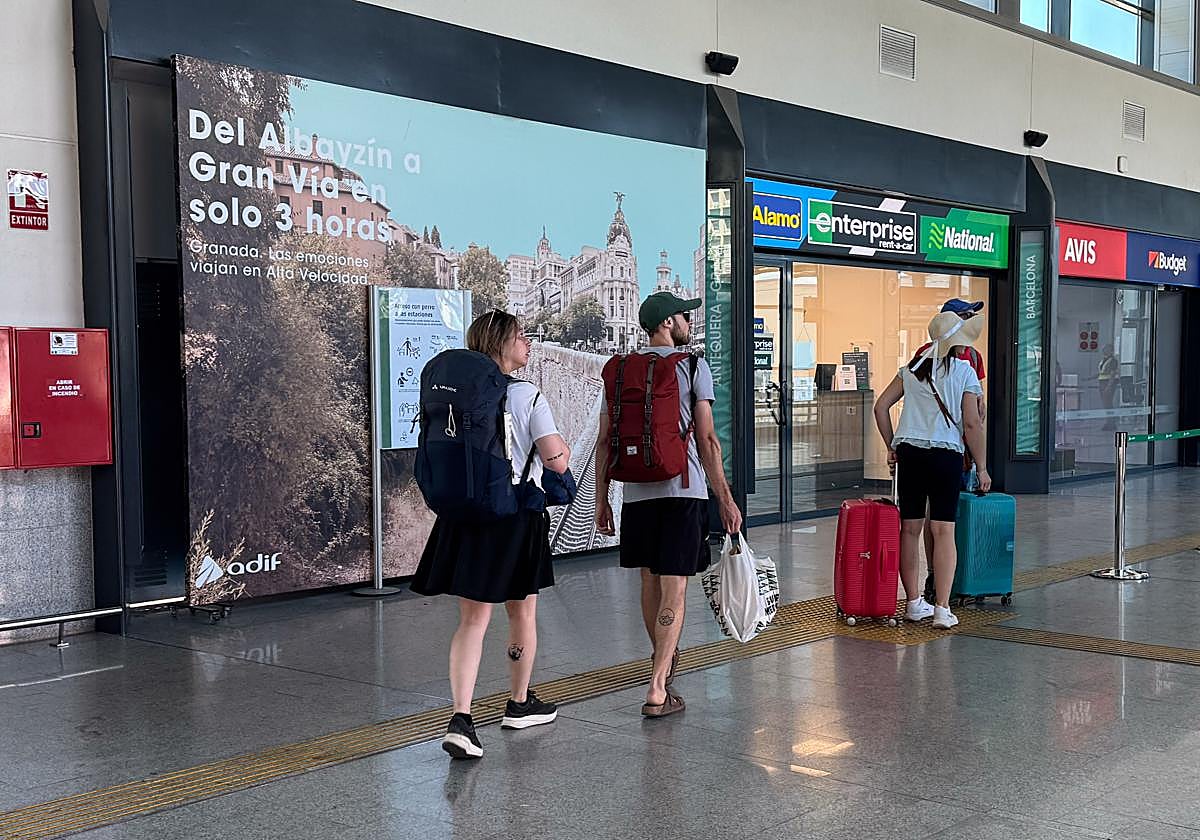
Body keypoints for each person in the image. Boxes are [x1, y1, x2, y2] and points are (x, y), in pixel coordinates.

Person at [411, 309, 571, 760]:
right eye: (521, 336)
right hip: (515, 516)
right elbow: (555, 460)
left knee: (472, 620)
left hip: (464, 516)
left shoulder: (459, 397)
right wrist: (562, 453)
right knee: (521, 615)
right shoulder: (526, 396)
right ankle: (519, 704)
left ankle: (461, 717)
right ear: (503, 344)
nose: (528, 343)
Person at [595, 291, 742, 718]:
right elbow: (708, 440)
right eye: (682, 316)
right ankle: (659, 685)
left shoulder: (619, 371)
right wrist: (726, 500)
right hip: (683, 490)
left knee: (650, 581)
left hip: (637, 494)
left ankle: (663, 657)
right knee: (675, 586)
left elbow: (606, 442)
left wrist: (604, 498)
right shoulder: (693, 366)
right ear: (666, 324)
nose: (687, 322)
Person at [873, 311, 990, 630]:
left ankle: (913, 603)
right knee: (943, 531)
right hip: (944, 455)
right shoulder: (964, 371)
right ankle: (941, 608)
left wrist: (891, 445)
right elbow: (971, 423)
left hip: (910, 453)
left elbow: (881, 407)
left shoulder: (912, 368)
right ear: (958, 342)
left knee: (909, 529)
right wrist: (982, 466)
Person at [914, 298, 987, 601]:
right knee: (938, 517)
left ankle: (948, 578)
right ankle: (936, 579)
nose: (971, 319)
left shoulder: (973, 355)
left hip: (955, 446)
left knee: (946, 514)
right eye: (966, 315)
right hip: (943, 445)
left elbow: (980, 406)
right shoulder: (925, 355)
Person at [1098, 344, 1119, 430]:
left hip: (1108, 383)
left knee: (1108, 403)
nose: (1104, 350)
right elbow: (1101, 372)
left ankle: (1111, 423)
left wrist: (1109, 386)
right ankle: (1109, 422)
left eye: (1106, 349)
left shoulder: (1113, 361)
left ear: (1111, 350)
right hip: (1102, 382)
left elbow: (1113, 374)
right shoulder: (1103, 360)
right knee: (1105, 404)